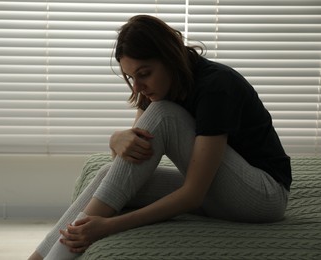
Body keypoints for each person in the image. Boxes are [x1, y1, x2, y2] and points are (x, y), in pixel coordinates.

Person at [28, 14, 291, 260]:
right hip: (220, 192)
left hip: (262, 197)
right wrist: (115, 140)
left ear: (170, 57)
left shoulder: (216, 86)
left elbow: (193, 195)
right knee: (105, 174)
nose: (138, 87)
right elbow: (129, 162)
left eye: (144, 74)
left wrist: (107, 227)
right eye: (131, 78)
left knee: (164, 114)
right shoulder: (158, 88)